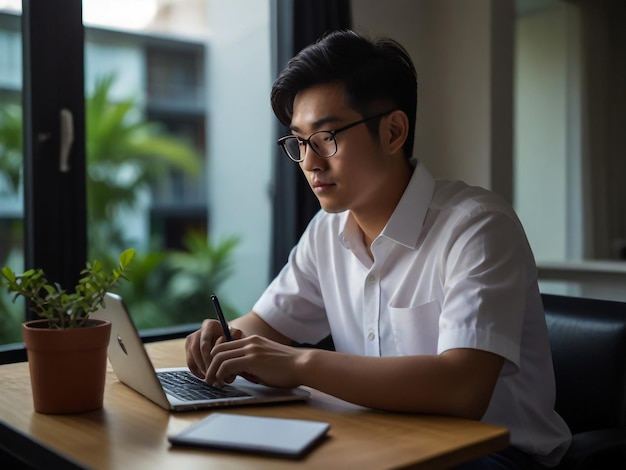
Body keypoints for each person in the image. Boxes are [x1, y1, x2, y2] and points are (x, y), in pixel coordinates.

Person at [185, 29, 571, 468]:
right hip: (381, 438)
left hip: (495, 454)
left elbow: (462, 389)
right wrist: (225, 337)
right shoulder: (326, 230)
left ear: (393, 131)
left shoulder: (477, 227)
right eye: (299, 141)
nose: (310, 162)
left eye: (326, 137)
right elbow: (266, 324)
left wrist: (299, 364)